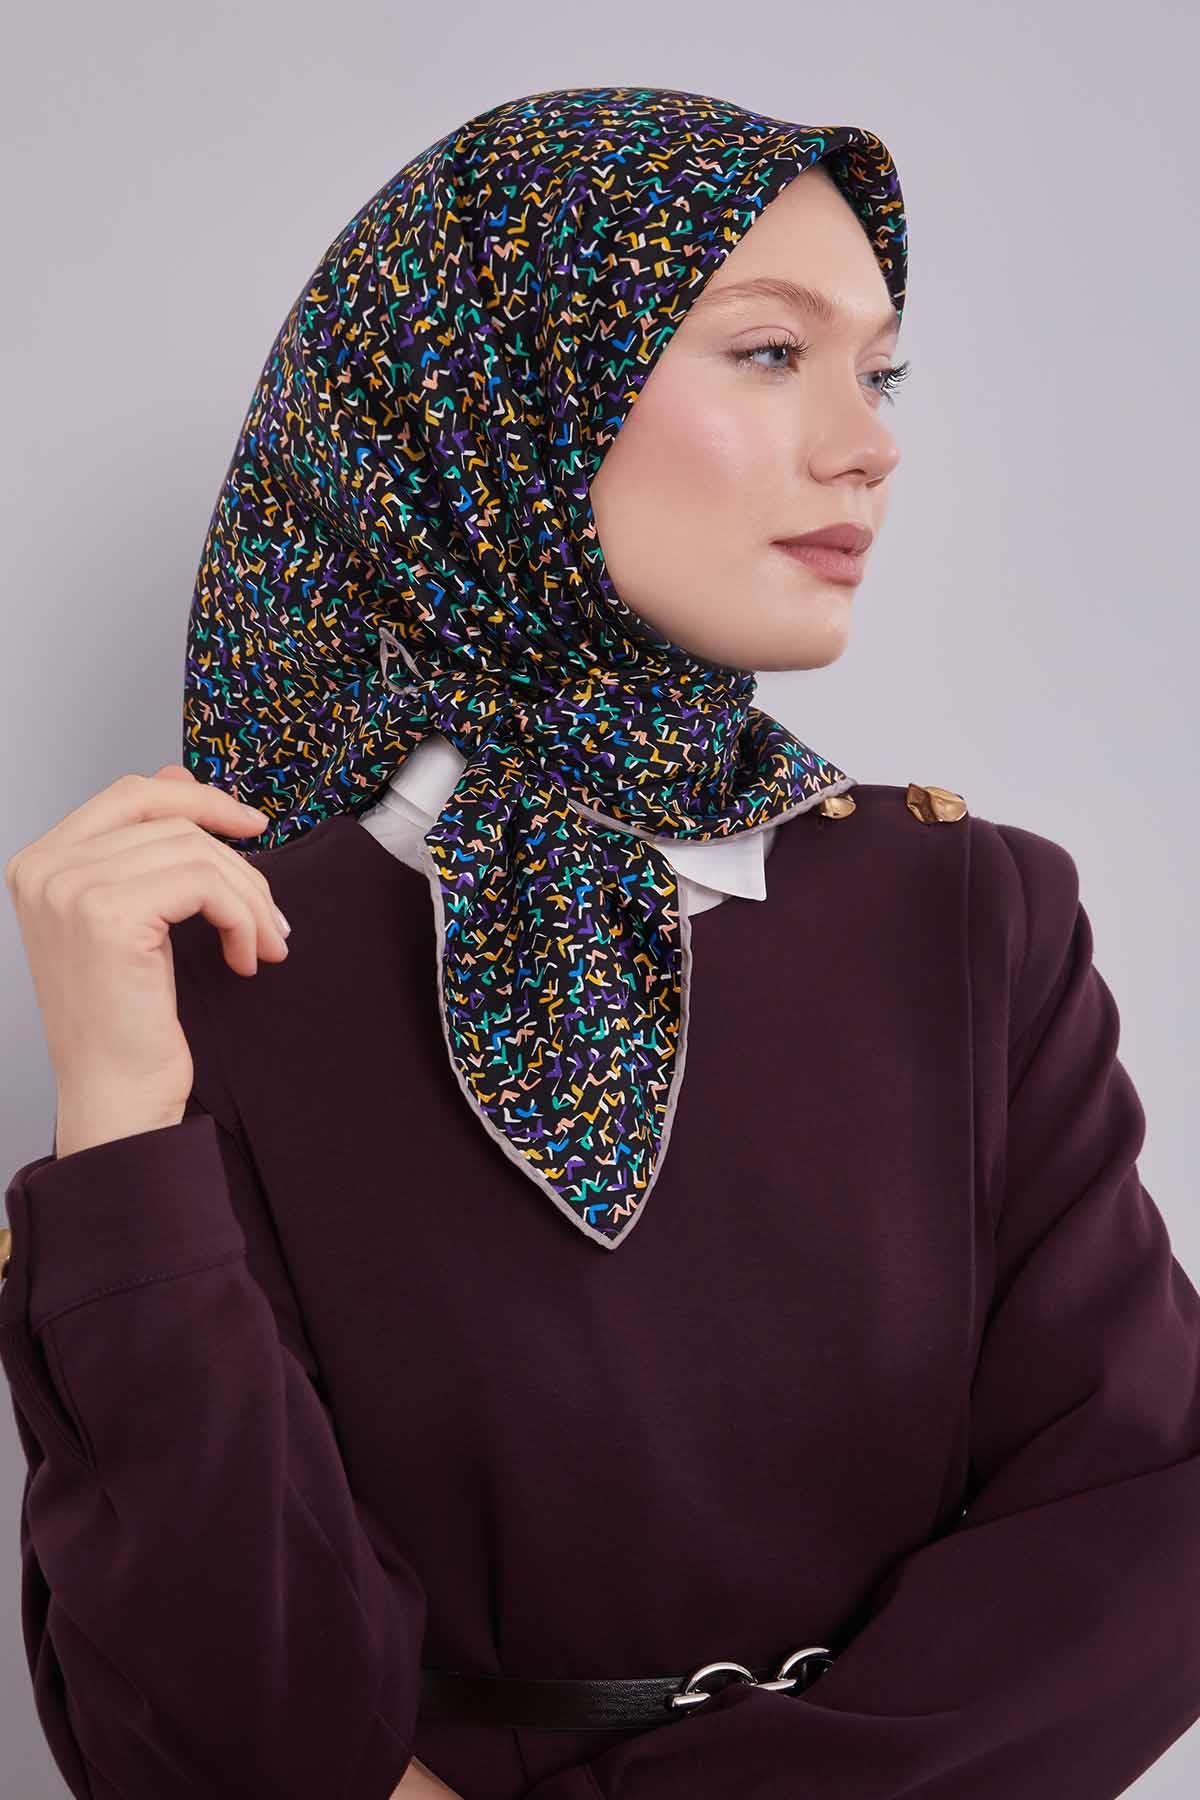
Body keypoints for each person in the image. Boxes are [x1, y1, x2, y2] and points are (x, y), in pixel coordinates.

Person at [2, 82, 1198, 1800]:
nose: (869, 444)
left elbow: (1141, 1523)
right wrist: (120, 1125)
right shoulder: (221, 964)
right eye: (770, 353)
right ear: (501, 393)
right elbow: (200, 1727)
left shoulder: (972, 914)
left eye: (880, 371)